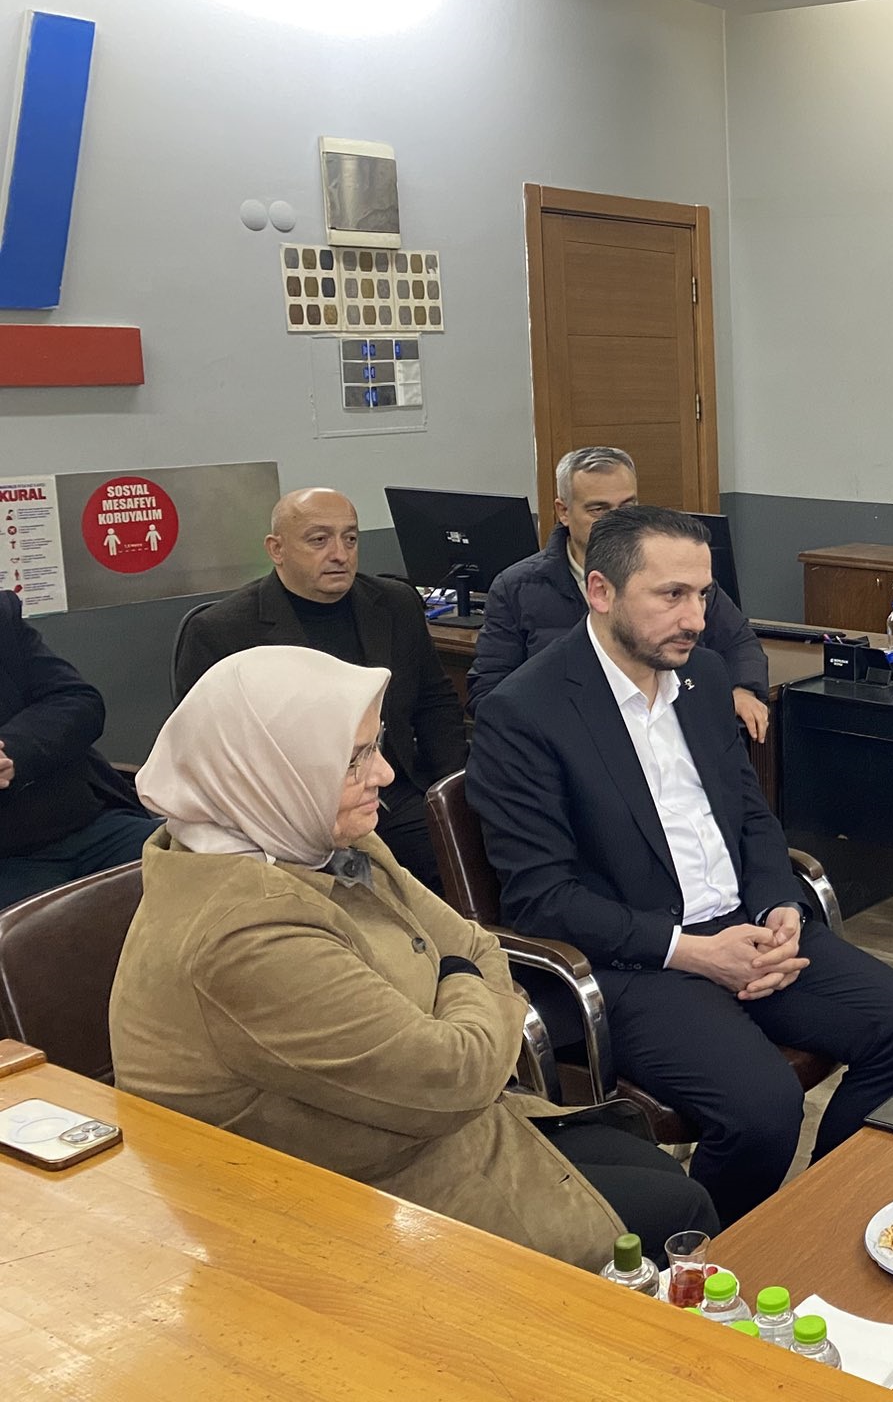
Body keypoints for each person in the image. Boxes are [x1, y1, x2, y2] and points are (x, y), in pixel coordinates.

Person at [109, 646, 717, 1268]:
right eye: (354, 759)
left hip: (425, 1132)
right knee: (682, 1212)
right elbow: (457, 1073)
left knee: (658, 1174)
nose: (385, 774)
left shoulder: (309, 835)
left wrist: (457, 991)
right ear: (267, 772)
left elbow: (475, 943)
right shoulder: (245, 935)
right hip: (343, 1203)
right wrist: (461, 984)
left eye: (375, 747)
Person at [466, 504, 893, 1224]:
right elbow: (542, 899)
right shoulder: (526, 712)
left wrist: (780, 905)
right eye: (671, 595)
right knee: (763, 1108)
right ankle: (707, 1255)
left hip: (745, 926)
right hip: (635, 960)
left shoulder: (705, 676)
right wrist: (693, 952)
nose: (695, 618)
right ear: (600, 591)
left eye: (703, 595)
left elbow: (750, 816)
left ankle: (816, 1213)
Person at [175, 488, 465, 888]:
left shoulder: (396, 604)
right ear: (276, 549)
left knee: (460, 863)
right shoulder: (222, 631)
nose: (340, 554)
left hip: (392, 793)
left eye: (350, 538)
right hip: (287, 818)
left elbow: (436, 703)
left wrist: (451, 793)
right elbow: (206, 755)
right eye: (319, 540)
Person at [464, 447, 770, 738]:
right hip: (565, 744)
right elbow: (489, 691)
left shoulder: (673, 577)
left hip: (666, 728)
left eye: (627, 507)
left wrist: (742, 689)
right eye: (599, 509)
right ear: (564, 511)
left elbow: (738, 642)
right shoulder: (517, 587)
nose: (616, 521)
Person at [0, 590, 159, 907]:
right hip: (10, 861)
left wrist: (12, 750)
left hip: (90, 822)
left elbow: (79, 702)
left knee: (208, 870)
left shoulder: (3, 620)